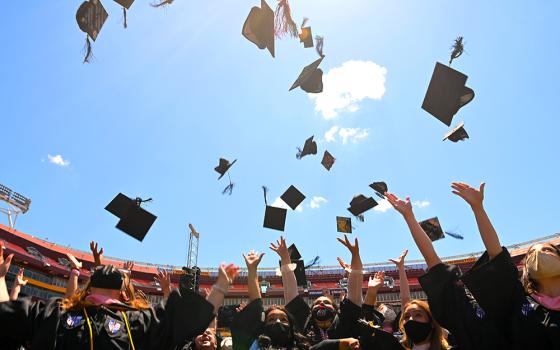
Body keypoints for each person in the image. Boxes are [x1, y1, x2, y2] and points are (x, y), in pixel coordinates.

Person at [0, 240, 234, 350]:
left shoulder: (137, 321)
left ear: (124, 294)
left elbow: (185, 319)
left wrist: (221, 287)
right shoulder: (54, 312)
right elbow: (5, 317)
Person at [386, 189, 503, 350]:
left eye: (418, 314)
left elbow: (497, 258)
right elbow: (434, 262)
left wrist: (478, 208)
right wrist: (409, 217)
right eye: (407, 316)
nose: (411, 320)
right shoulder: (463, 314)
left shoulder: (508, 305)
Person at [451, 182, 560, 349]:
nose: (539, 253)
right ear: (527, 271)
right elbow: (497, 255)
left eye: (547, 249)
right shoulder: (521, 303)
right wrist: (478, 208)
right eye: (531, 254)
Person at [285, 235, 363, 346]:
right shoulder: (305, 322)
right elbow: (291, 293)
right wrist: (285, 260)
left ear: (336, 309)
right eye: (317, 303)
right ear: (310, 311)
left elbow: (355, 289)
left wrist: (355, 255)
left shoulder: (345, 320)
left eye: (326, 302)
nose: (321, 303)